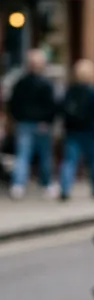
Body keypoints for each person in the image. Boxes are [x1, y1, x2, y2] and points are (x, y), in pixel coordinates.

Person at [7, 50, 58, 199]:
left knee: (23, 155)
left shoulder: (20, 82)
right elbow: (51, 105)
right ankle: (46, 184)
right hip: (41, 124)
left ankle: (18, 185)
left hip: (24, 122)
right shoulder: (46, 84)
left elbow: (13, 104)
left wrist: (17, 118)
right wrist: (47, 120)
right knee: (44, 155)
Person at [59, 59, 94, 201]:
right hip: (91, 132)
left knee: (69, 161)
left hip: (73, 131)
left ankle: (65, 188)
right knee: (93, 162)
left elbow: (62, 109)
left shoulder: (70, 90)